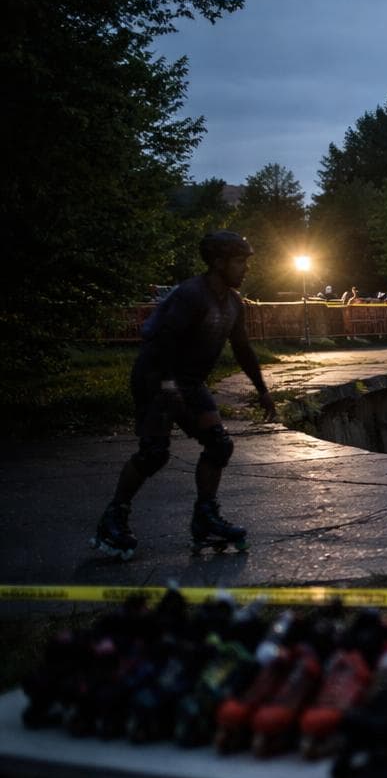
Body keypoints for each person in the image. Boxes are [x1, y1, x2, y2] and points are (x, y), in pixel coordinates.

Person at [91, 230, 278, 559]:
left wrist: (262, 390)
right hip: (156, 377)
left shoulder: (233, 303)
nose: (245, 269)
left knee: (219, 444)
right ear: (217, 263)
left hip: (190, 382)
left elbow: (243, 349)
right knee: (154, 452)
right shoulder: (191, 295)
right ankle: (113, 519)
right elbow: (161, 345)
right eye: (238, 262)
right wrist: (167, 389)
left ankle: (205, 518)